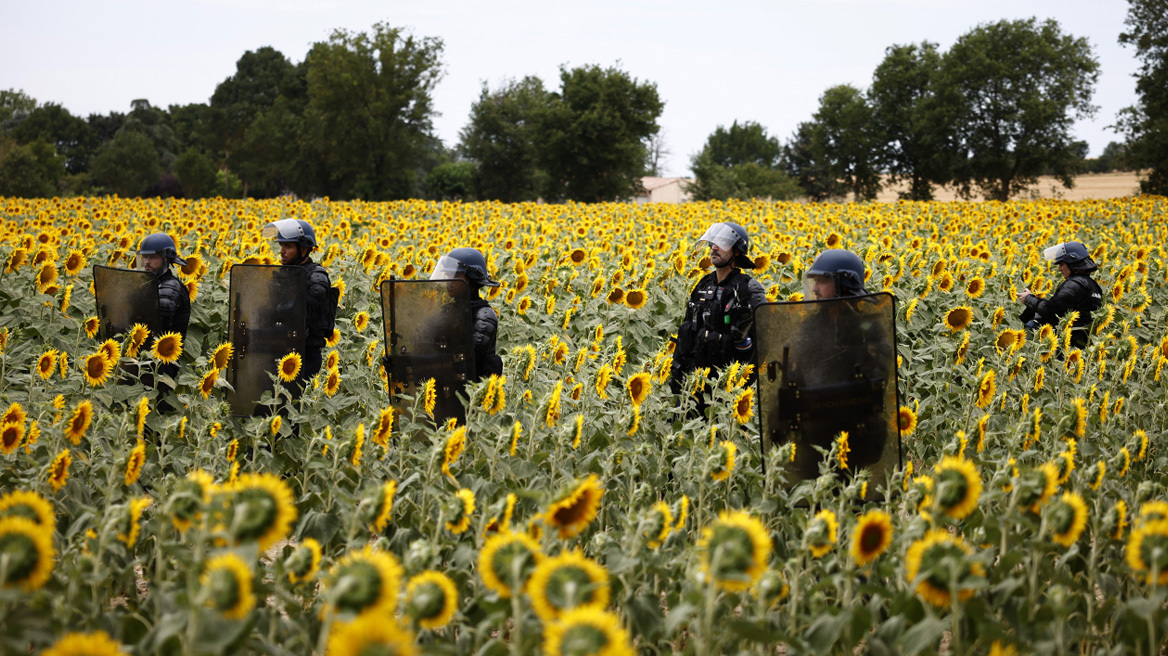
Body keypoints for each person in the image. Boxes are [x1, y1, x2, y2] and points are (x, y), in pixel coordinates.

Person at [669, 222, 767, 412]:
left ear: (737, 251)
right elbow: (688, 328)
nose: (714, 247)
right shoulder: (704, 284)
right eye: (713, 242)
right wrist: (677, 371)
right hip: (694, 381)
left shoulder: (748, 289)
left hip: (726, 389)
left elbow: (761, 343)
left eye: (722, 243)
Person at [262, 218, 336, 394]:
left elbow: (299, 311)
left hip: (305, 357)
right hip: (279, 352)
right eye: (281, 246)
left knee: (297, 410)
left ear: (303, 249)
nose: (281, 251)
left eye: (288, 246)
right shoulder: (283, 274)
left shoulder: (317, 277)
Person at [135, 233, 191, 411]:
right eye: (145, 257)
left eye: (153, 257)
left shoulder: (171, 287)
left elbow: (158, 322)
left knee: (159, 410)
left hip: (163, 365)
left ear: (166, 258)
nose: (147, 262)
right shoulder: (150, 283)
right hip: (148, 360)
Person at [429, 247, 503, 381]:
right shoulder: (447, 310)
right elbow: (427, 344)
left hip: (473, 394)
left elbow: (469, 360)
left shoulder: (485, 316)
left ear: (472, 279)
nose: (449, 280)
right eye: (448, 274)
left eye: (456, 274)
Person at [1016, 241, 1103, 350]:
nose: (1059, 269)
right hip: (1080, 343)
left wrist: (1028, 298)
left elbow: (1049, 309)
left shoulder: (1074, 285)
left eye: (1062, 264)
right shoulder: (1091, 284)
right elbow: (1062, 307)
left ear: (1073, 263)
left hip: (1066, 345)